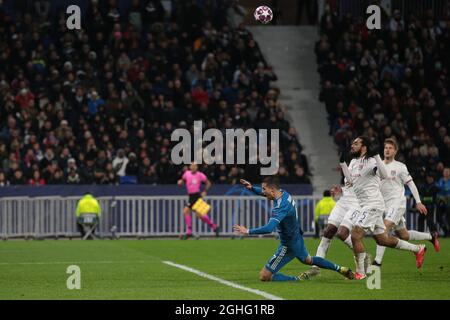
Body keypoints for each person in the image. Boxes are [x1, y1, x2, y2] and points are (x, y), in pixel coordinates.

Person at [233, 176, 355, 282]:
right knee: (309, 260)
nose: (263, 192)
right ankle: (340, 268)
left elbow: (269, 228)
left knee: (264, 276)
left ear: (272, 190)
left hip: (288, 244)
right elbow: (265, 193)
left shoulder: (281, 207)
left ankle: (297, 279)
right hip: (296, 236)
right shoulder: (283, 193)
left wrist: (248, 231)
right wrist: (252, 188)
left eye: (264, 189)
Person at [345, 136, 427, 280]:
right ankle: (417, 249)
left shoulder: (372, 162)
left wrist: (418, 201)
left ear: (364, 147)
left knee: (355, 234)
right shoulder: (353, 162)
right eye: (352, 143)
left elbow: (384, 175)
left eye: (356, 143)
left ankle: (362, 272)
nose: (352, 145)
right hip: (371, 204)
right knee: (382, 239)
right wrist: (342, 164)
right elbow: (349, 181)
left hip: (376, 204)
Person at [373, 139, 440, 266]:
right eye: (385, 147)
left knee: (383, 230)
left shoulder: (400, 167)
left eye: (390, 148)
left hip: (397, 203)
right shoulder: (377, 167)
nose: (387, 150)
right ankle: (431, 237)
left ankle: (377, 261)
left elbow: (411, 184)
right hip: (385, 205)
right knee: (404, 235)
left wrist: (418, 202)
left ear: (395, 151)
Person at [177, 163, 220, 240]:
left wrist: (205, 191)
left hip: (196, 196)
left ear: (197, 167)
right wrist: (180, 183)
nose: (193, 167)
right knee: (200, 215)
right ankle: (214, 227)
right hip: (191, 196)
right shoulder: (186, 174)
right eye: (192, 165)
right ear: (190, 167)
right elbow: (183, 181)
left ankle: (189, 232)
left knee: (186, 211)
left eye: (195, 166)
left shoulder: (200, 175)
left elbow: (208, 183)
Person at [437, 167, 450, 236]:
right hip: (441, 202)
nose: (446, 173)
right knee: (438, 218)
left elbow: (443, 189)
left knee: (448, 218)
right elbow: (439, 188)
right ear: (443, 173)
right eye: (445, 171)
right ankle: (446, 231)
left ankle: (448, 232)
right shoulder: (440, 180)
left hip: (448, 203)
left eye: (447, 171)